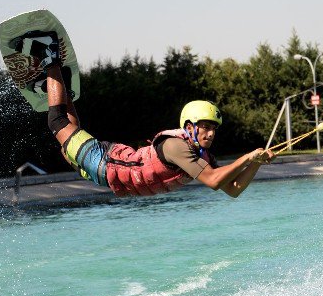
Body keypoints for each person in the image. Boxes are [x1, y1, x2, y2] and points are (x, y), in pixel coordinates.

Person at [20, 34, 275, 198]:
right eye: (205, 127)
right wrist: (248, 157)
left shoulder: (201, 156)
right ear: (189, 126)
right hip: (105, 163)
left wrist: (255, 164)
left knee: (68, 146)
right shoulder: (177, 147)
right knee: (57, 123)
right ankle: (49, 56)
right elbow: (214, 181)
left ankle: (59, 84)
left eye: (214, 129)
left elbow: (233, 189)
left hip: (105, 174)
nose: (210, 133)